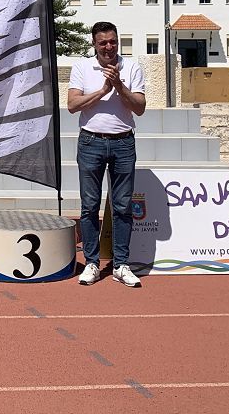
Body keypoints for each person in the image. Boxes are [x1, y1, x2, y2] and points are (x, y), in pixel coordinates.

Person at [67, 21, 146, 288]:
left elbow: (140, 108)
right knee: (89, 206)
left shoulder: (132, 66)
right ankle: (92, 262)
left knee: (123, 207)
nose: (109, 47)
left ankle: (121, 264)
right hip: (91, 142)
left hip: (124, 143)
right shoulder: (82, 67)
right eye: (103, 43)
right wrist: (102, 91)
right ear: (94, 44)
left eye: (113, 41)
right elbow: (72, 105)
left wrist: (119, 86)